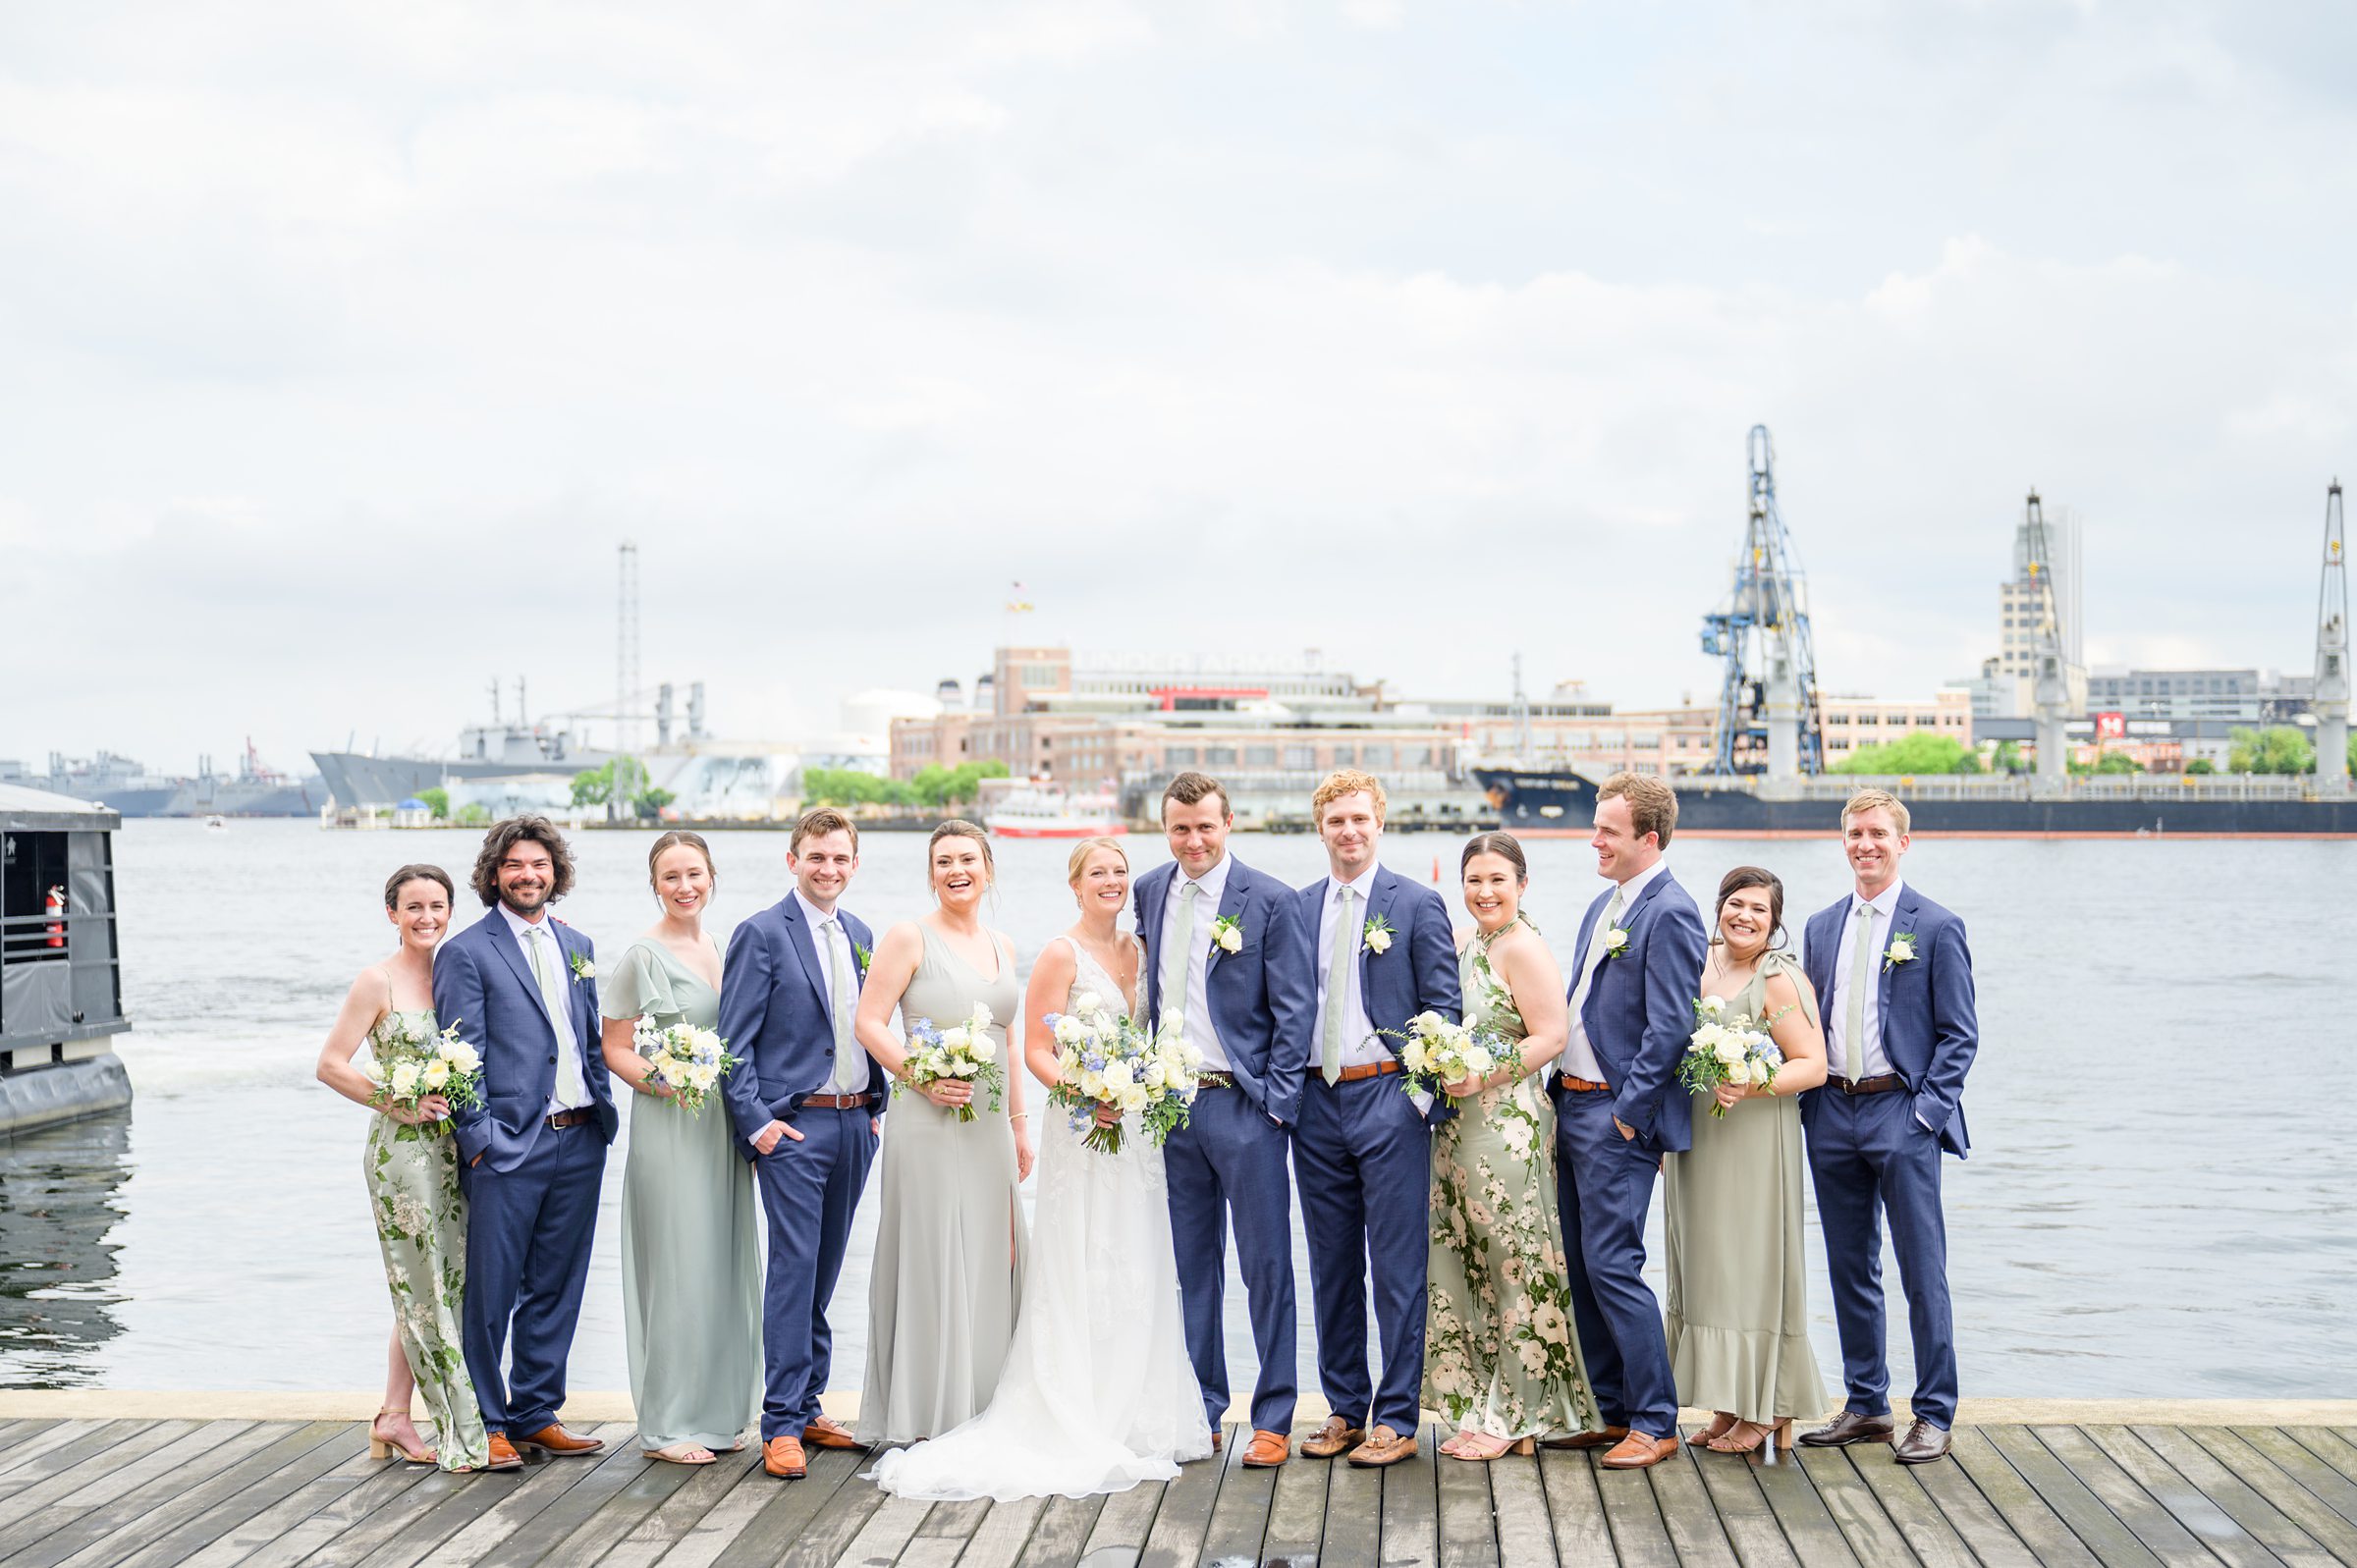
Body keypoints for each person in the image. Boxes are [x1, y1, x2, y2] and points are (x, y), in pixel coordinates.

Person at [869, 838, 1212, 1500]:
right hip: (1083, 1125)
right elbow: (1034, 1047)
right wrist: (1086, 1094)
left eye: (1118, 872)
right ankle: (1067, 1401)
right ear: (1075, 884)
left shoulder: (1139, 951)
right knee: (1077, 1260)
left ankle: (1137, 1405)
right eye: (1096, 873)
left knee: (1136, 1260)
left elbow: (1146, 1039)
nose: (1110, 882)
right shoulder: (1059, 951)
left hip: (1134, 1128)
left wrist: (1146, 1085)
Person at [1134, 772, 1314, 1470]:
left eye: (1205, 826)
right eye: (1180, 828)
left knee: (1266, 1263)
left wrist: (1276, 1104)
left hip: (1245, 1105)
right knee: (1190, 1266)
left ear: (1228, 822)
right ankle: (1203, 1407)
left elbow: (1294, 1009)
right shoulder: (1152, 889)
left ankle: (1272, 1415)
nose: (1194, 840)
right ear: (1166, 829)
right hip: (1172, 1105)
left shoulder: (1269, 899)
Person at [1796, 790, 1978, 1466]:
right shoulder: (1820, 925)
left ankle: (1933, 1411)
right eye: (1853, 833)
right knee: (1849, 1265)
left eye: (1877, 833)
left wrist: (1925, 1115)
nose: (1864, 843)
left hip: (1901, 1111)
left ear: (1903, 842)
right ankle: (1867, 1401)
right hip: (1832, 1111)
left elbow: (1960, 1035)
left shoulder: (1935, 926)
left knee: (1922, 1268)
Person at [434, 815, 617, 1473]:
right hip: (509, 1147)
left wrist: (603, 1107)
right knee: (492, 1290)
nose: (528, 874)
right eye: (515, 864)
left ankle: (536, 1409)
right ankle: (489, 1421)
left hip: (580, 1136)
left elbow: (586, 1037)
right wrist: (480, 1140)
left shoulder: (579, 944)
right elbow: (459, 1055)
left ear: (555, 872)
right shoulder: (466, 951)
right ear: (494, 874)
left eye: (539, 864)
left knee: (558, 1284)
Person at [1290, 771, 1459, 1470]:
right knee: (1331, 1266)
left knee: (1396, 1268)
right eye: (1336, 821)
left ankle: (1397, 1417)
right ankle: (1343, 1408)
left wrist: (1417, 1098)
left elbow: (1444, 1008)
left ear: (1379, 822)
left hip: (1388, 1096)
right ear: (1320, 828)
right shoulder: (1296, 909)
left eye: (1359, 818)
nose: (1349, 831)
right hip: (1315, 1103)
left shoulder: (1416, 902)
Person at [1545, 772, 1707, 1472]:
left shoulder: (1671, 911)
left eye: (1607, 830)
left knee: (1614, 1263)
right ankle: (1611, 1411)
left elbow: (1671, 1024)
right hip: (1572, 1103)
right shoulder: (1602, 904)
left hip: (1615, 1117)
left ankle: (1655, 1418)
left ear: (1648, 837)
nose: (1594, 839)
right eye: (1596, 826)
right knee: (1582, 1265)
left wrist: (1626, 1114)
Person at [719, 808, 887, 1481]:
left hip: (854, 1124)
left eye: (841, 858)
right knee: (793, 1268)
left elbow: (868, 1026)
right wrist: (759, 1125)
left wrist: (875, 1107)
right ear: (793, 859)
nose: (829, 869)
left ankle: (812, 1403)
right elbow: (733, 1044)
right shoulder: (761, 933)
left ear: (854, 863)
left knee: (824, 1271)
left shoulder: (862, 932)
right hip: (794, 1128)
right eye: (817, 856)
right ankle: (781, 1422)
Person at [853, 819, 1032, 1447]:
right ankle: (928, 1410)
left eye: (968, 859)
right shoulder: (909, 937)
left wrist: (1019, 1126)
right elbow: (869, 1023)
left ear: (987, 868)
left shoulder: (1004, 946)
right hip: (926, 1120)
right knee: (932, 1252)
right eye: (944, 861)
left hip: (988, 1128)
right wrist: (921, 1078)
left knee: (991, 1249)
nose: (957, 870)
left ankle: (988, 1400)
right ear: (931, 874)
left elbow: (1009, 1045)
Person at [1425, 833, 1602, 1461]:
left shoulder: (1524, 947)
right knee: (1471, 1262)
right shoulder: (1469, 941)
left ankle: (1522, 1414)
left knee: (1515, 1263)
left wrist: (1482, 1075)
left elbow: (1551, 1036)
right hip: (1458, 1124)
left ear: (1522, 885)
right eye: (1474, 880)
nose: (1484, 891)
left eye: (1497, 879)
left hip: (1507, 1125)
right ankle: (1486, 1402)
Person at [313, 863, 489, 1474]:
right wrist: (396, 1102)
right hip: (400, 1158)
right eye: (414, 907)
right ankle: (458, 1424)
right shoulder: (376, 981)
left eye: (437, 906)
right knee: (423, 1288)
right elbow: (331, 1064)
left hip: (451, 1151)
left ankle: (393, 1412)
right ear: (392, 913)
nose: (427, 918)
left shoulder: (456, 973)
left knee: (440, 1285)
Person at [598, 832, 759, 1465]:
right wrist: (659, 1081)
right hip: (672, 1123)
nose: (684, 886)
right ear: (655, 885)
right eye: (671, 877)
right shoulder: (643, 955)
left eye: (694, 873)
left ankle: (719, 1412)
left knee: (719, 1263)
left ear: (712, 878)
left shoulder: (724, 946)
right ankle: (668, 1424)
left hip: (725, 1123)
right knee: (676, 1265)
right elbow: (613, 1046)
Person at [1663, 867, 1830, 1456]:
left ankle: (1768, 1408)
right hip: (1698, 1140)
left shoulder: (1778, 980)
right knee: (1707, 1266)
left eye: (1759, 909)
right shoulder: (1700, 962)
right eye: (1736, 904)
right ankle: (1727, 1402)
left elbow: (1812, 1064)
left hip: (1755, 1140)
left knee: (1751, 1265)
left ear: (1775, 920)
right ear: (1719, 907)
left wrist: (1752, 1082)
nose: (1745, 917)